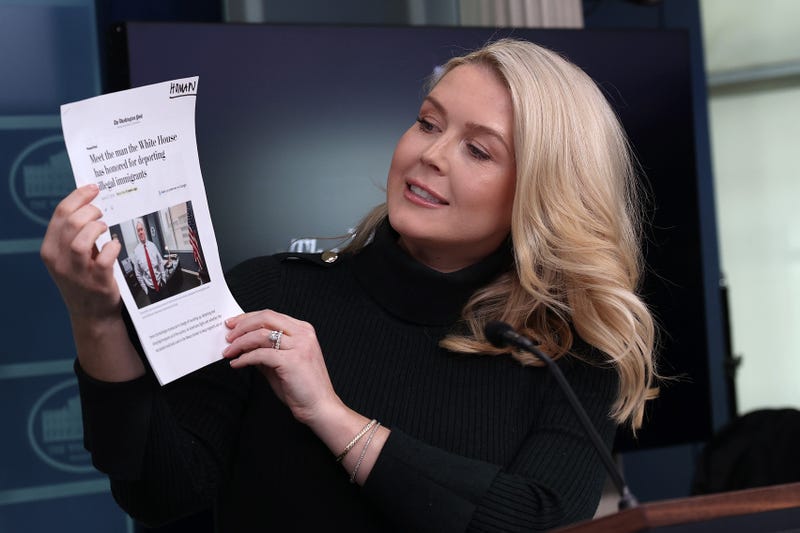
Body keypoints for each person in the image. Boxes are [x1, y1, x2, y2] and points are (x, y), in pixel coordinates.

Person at [41, 38, 657, 531]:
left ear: (540, 193)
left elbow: (538, 521)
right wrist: (94, 320)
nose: (431, 154)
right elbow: (156, 492)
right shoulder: (270, 293)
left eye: (478, 150)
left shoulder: (565, 353)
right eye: (427, 123)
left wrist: (329, 415)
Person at [131, 219, 168, 303]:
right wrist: (146, 290)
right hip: (151, 290)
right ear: (137, 233)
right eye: (138, 230)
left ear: (145, 230)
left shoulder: (153, 246)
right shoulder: (136, 252)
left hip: (161, 284)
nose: (140, 232)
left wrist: (164, 279)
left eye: (141, 229)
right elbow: (138, 274)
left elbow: (160, 263)